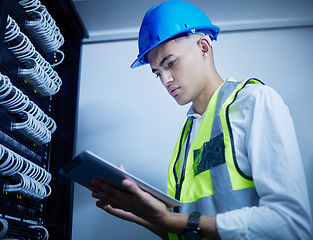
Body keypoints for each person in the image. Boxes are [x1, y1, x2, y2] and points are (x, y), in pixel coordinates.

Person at [89, 0, 313, 239]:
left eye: (171, 63)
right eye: (157, 73)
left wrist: (170, 219)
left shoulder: (254, 101)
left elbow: (290, 222)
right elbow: (187, 230)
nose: (165, 80)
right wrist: (144, 216)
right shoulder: (187, 135)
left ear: (204, 48)